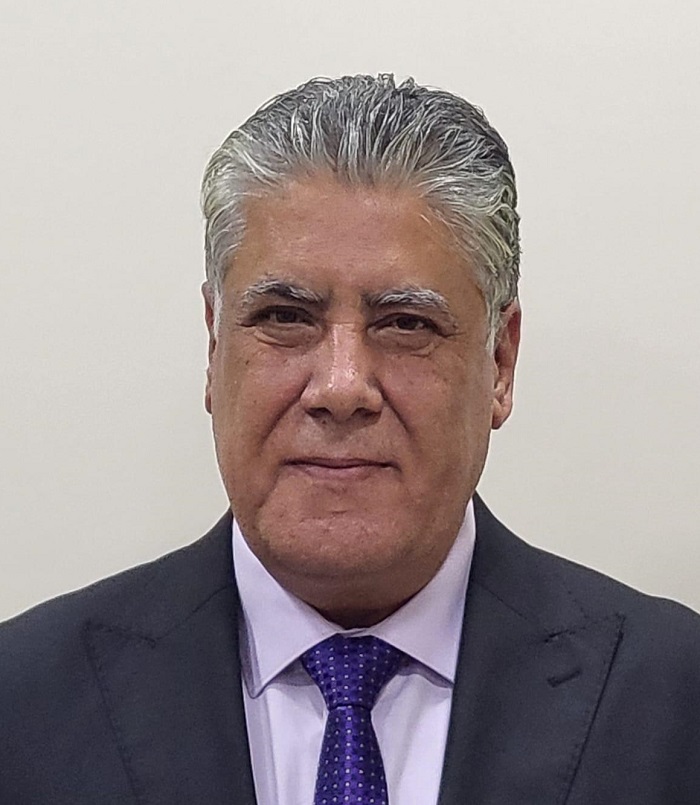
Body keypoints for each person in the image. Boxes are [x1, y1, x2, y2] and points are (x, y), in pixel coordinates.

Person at [1, 74, 699, 805]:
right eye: (285, 317)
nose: (340, 387)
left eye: (406, 324)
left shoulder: (674, 702)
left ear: (500, 361)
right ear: (213, 347)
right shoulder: (22, 706)